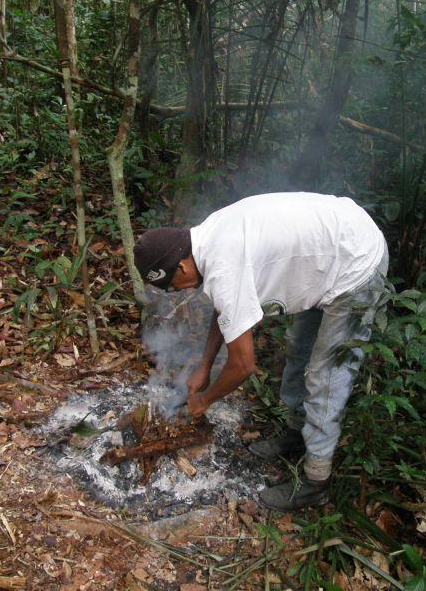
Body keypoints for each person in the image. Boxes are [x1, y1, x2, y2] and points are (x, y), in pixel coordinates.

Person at [133, 192, 388, 511]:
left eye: (172, 286)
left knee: (325, 377)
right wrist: (205, 366)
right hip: (329, 255)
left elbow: (243, 366)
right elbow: (226, 310)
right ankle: (296, 434)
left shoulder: (222, 262)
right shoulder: (205, 240)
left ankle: (315, 482)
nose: (179, 291)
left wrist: (206, 399)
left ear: (182, 267)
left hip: (356, 264)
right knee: (298, 347)